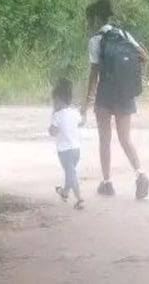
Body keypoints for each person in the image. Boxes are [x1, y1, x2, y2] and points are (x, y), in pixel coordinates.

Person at [81, 0, 149, 200]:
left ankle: (107, 183)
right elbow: (145, 57)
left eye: (89, 20)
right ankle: (140, 174)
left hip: (105, 94)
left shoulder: (95, 40)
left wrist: (86, 104)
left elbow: (93, 75)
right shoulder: (123, 34)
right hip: (125, 93)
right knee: (125, 139)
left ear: (95, 19)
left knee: (105, 139)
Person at [49, 78, 84, 210]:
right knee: (71, 173)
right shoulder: (74, 113)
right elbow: (81, 122)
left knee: (71, 174)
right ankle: (64, 192)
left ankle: (80, 198)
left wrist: (53, 116)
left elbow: (52, 132)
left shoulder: (57, 116)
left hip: (64, 151)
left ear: (57, 99)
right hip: (76, 150)